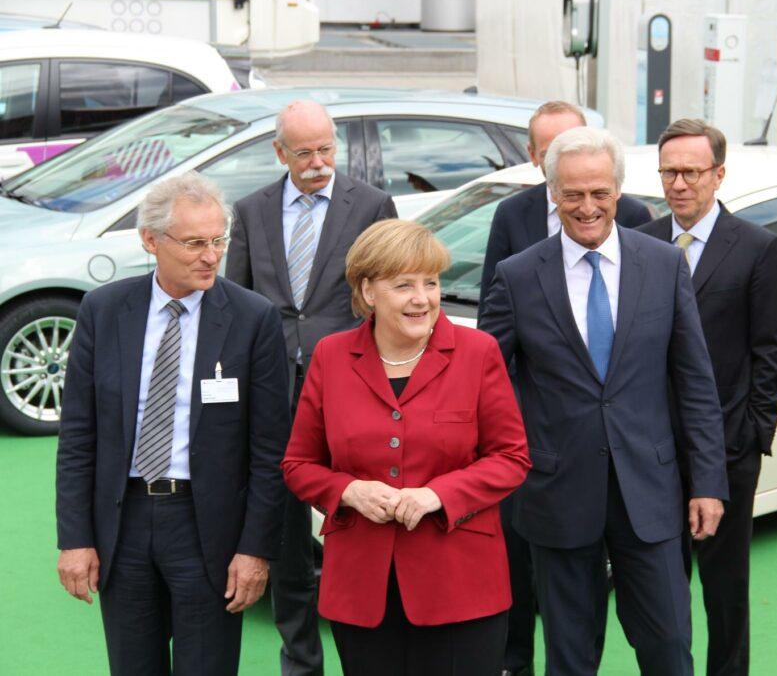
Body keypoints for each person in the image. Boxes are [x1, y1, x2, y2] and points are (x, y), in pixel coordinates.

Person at [479, 126, 728, 676]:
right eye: (572, 194)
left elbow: (695, 382)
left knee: (669, 650)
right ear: (552, 194)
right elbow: (486, 386)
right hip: (555, 495)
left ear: (619, 191)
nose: (587, 207)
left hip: (652, 493)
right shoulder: (518, 277)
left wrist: (708, 481)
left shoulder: (663, 265)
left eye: (598, 192)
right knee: (570, 659)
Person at [55, 172, 291, 675]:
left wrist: (254, 549)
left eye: (218, 240)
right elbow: (78, 437)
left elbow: (270, 452)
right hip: (125, 522)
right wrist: (75, 538)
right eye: (194, 243)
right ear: (150, 241)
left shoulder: (253, 319)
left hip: (209, 528)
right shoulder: (104, 310)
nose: (211, 255)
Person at [281, 219, 531, 676]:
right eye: (404, 285)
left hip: (462, 583)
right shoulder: (331, 356)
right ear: (368, 291)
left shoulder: (478, 352)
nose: (423, 299)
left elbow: (511, 458)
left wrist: (439, 495)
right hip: (361, 588)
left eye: (431, 283)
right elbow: (298, 465)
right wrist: (349, 491)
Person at [225, 99, 398, 676]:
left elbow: (388, 300)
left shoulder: (372, 206)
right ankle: (300, 660)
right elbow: (238, 306)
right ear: (280, 152)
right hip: (272, 389)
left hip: (350, 387)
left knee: (358, 520)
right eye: (305, 153)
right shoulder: (250, 211)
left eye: (327, 148)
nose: (319, 161)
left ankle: (370, 653)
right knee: (286, 531)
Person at [637, 118, 777, 676]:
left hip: (727, 453)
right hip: (651, 453)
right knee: (660, 589)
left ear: (718, 174)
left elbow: (770, 353)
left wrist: (750, 436)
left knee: (725, 590)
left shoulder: (757, 248)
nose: (678, 184)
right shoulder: (641, 242)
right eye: (669, 171)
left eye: (691, 172)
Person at [479, 100, 653, 318]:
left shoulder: (632, 214)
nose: (588, 208)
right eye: (549, 152)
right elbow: (492, 305)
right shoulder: (512, 212)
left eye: (575, 145)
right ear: (532, 154)